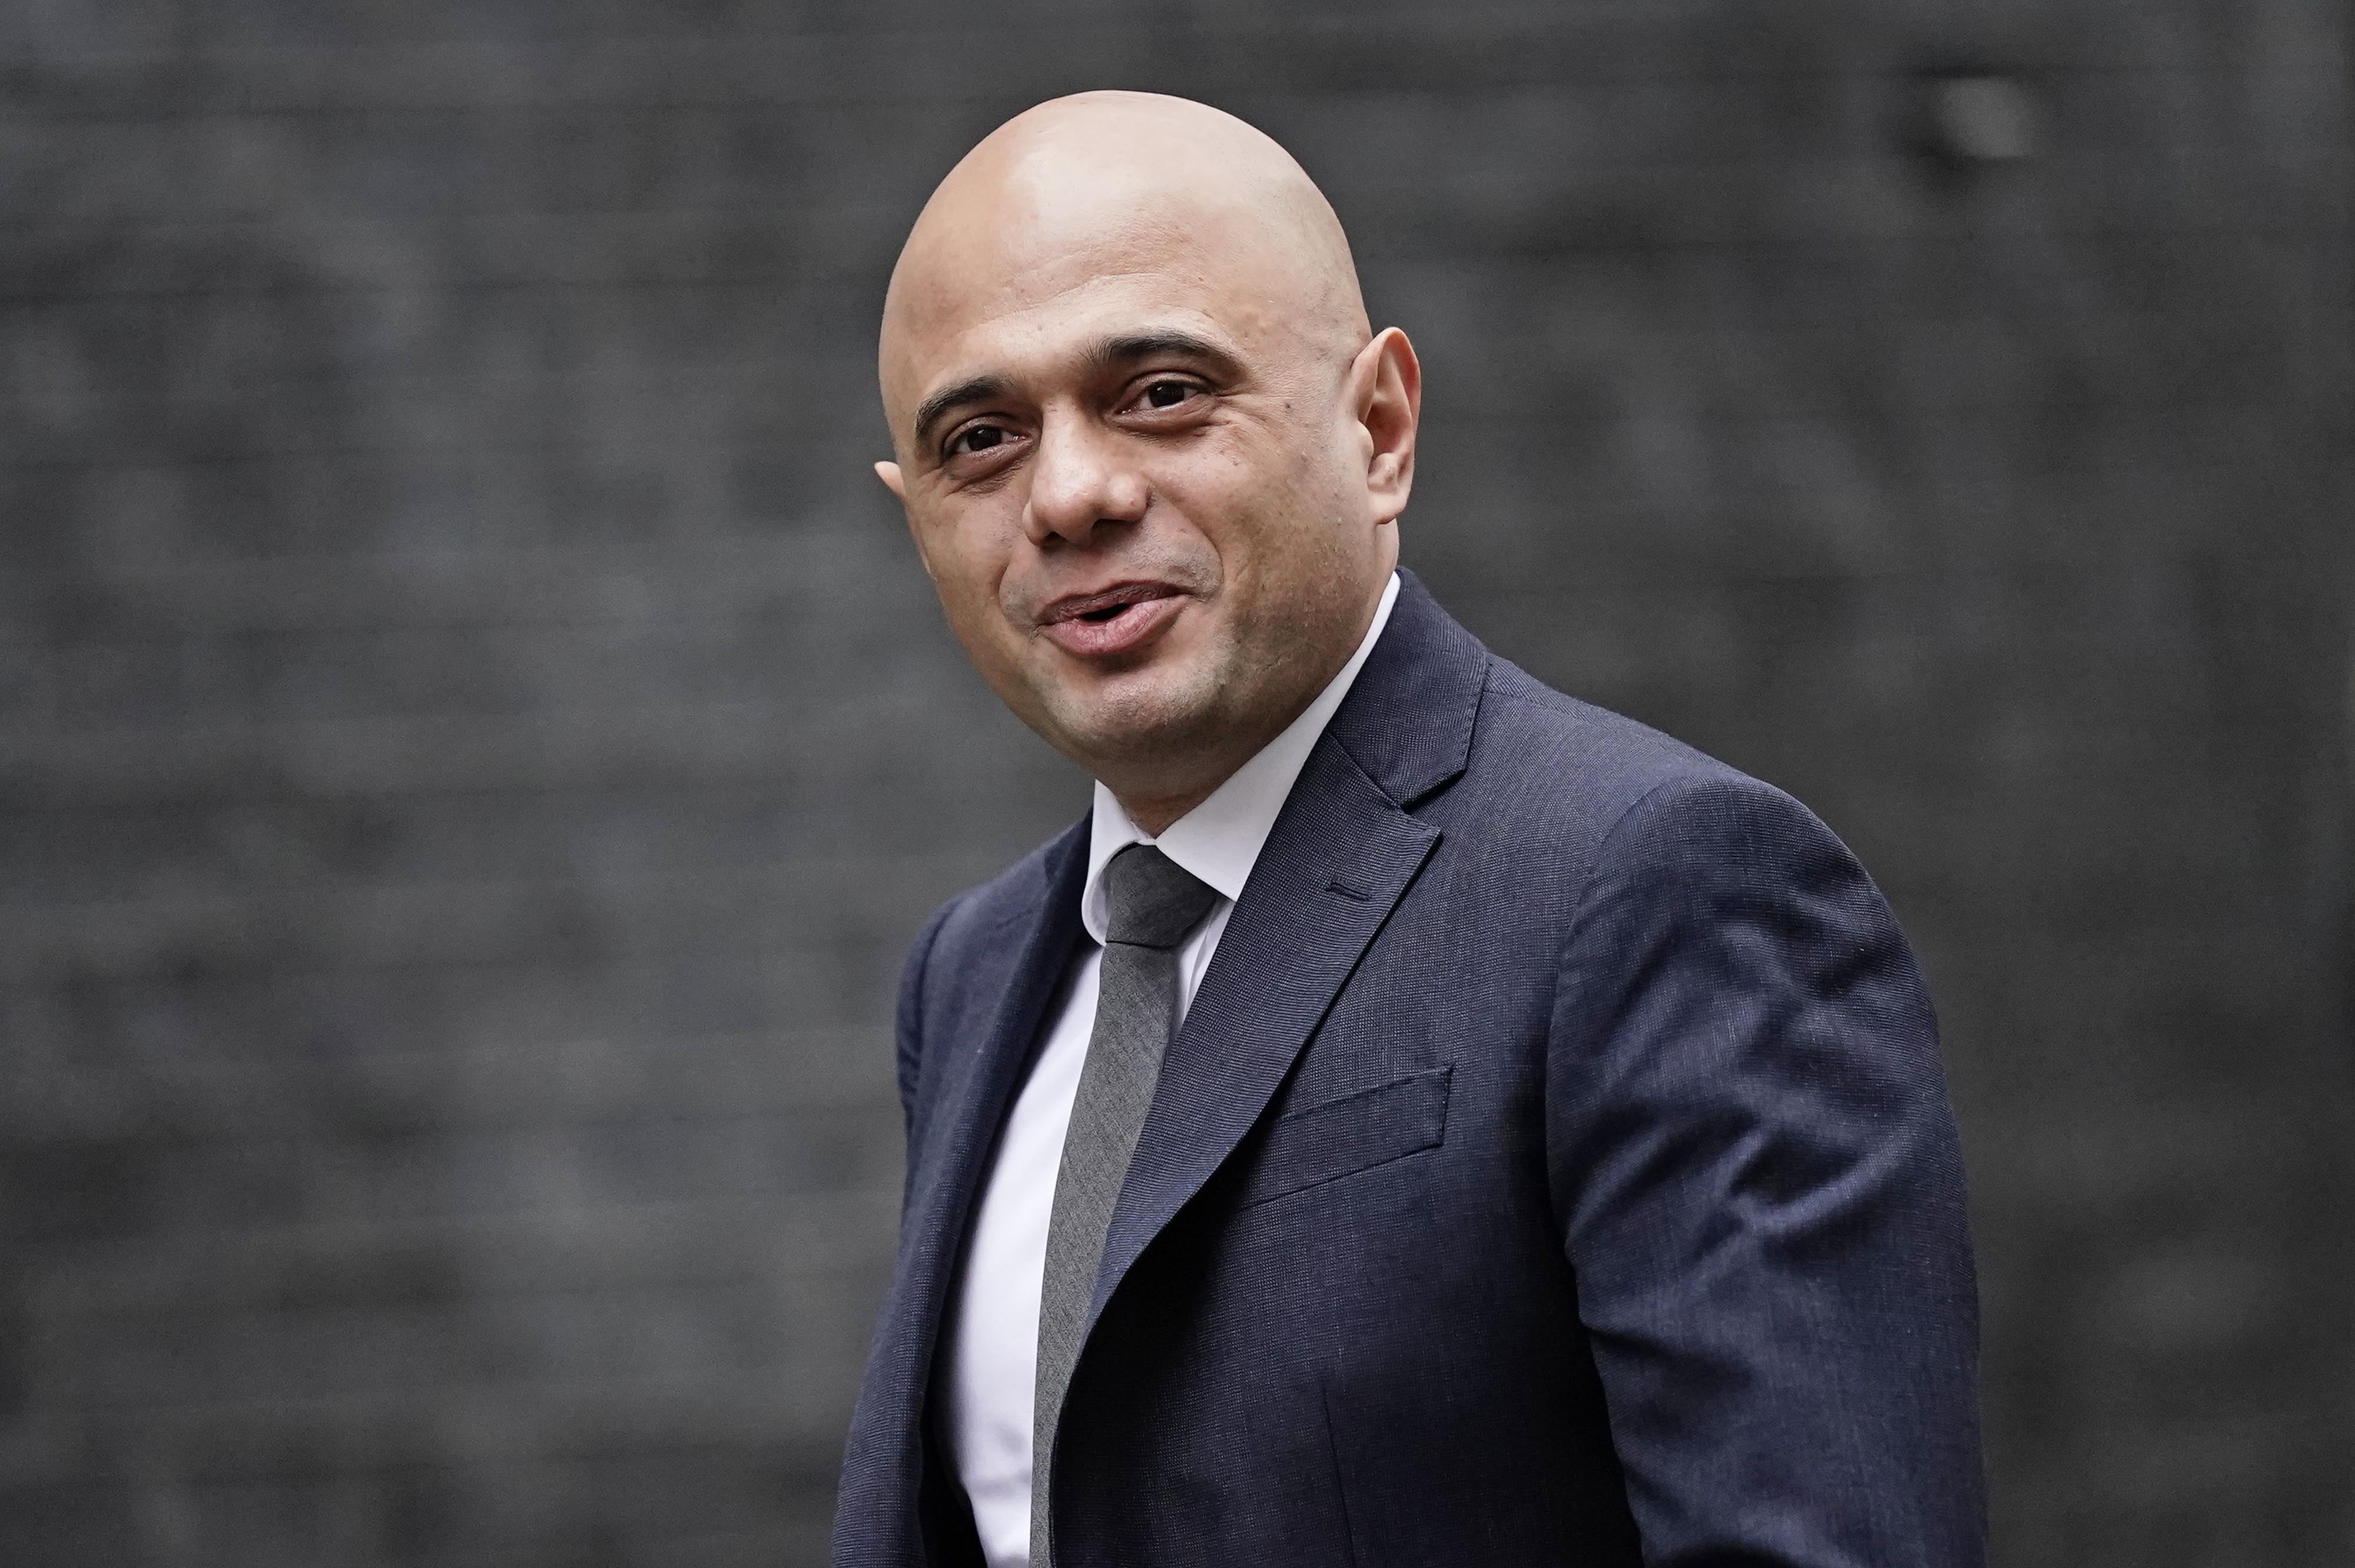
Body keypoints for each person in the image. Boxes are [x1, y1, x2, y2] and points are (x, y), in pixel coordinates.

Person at [833, 91, 1982, 1568]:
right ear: (911, 509)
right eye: (979, 438)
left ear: (1378, 429)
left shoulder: (1657, 891)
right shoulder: (976, 973)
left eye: (1162, 393)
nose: (1069, 494)